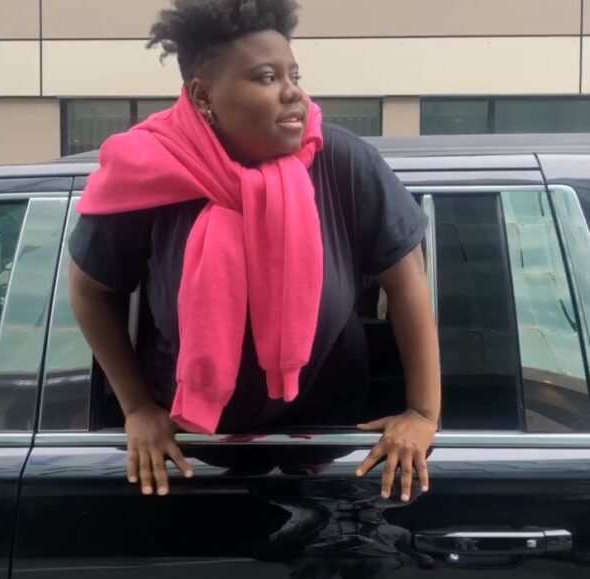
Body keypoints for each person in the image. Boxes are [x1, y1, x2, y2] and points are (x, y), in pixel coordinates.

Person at [68, 0, 441, 500]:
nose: (294, 92)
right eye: (267, 77)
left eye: (294, 75)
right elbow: (90, 291)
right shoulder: (147, 173)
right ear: (203, 95)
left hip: (331, 449)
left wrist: (422, 413)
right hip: (195, 456)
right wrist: (136, 408)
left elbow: (407, 279)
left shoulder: (341, 162)